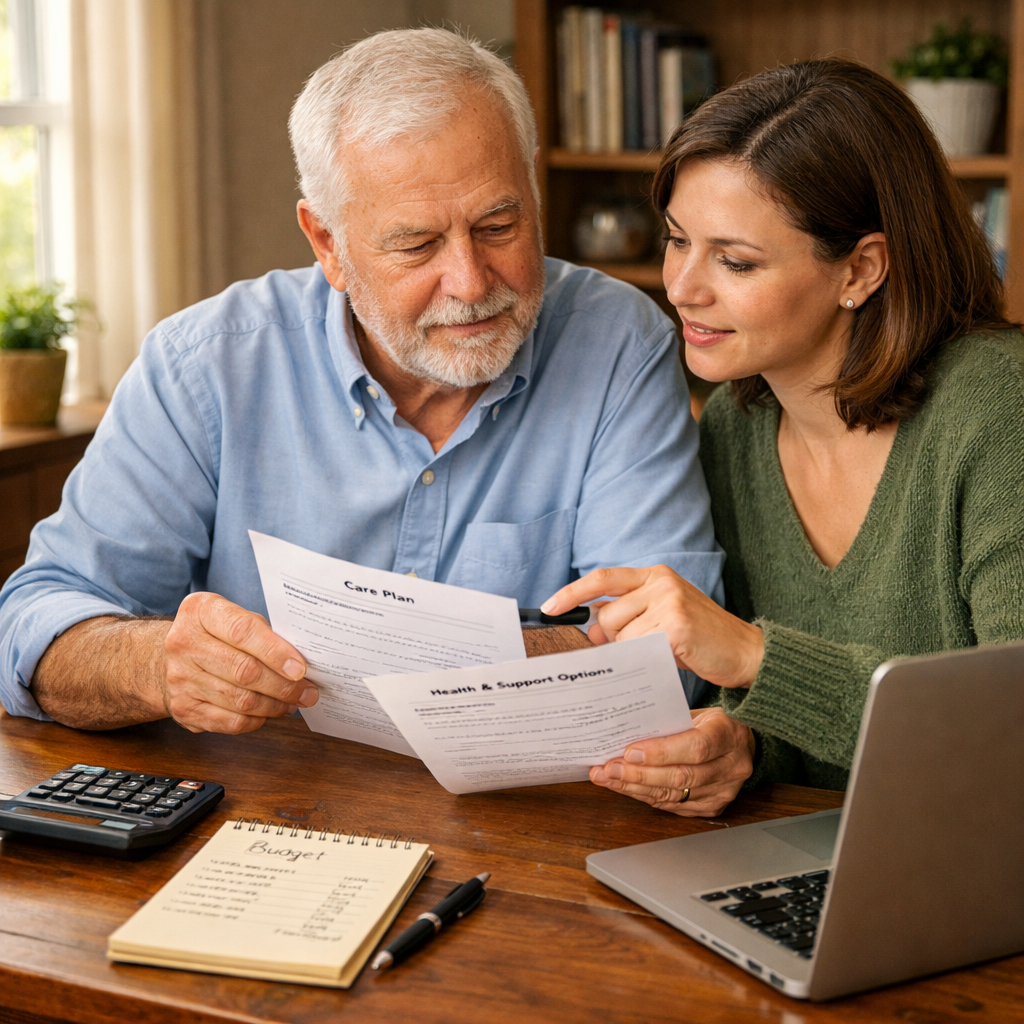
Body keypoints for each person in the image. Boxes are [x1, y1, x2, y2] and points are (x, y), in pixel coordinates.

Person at [0, 29, 722, 733]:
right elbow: (35, 627)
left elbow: (667, 659)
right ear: (328, 244)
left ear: (531, 188)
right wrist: (157, 665)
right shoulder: (204, 366)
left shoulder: (620, 345)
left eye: (499, 224)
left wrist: (379, 666)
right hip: (262, 815)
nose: (471, 283)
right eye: (417, 244)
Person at [542, 58, 1024, 817]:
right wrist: (742, 746)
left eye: (735, 261)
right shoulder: (737, 423)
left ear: (861, 268)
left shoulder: (999, 408)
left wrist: (752, 656)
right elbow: (811, 734)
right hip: (821, 858)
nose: (683, 287)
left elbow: (1007, 736)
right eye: (676, 240)